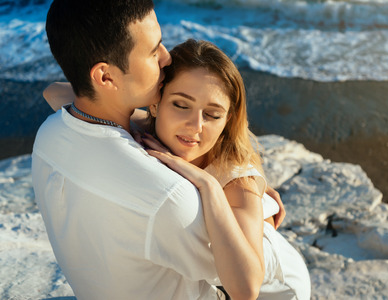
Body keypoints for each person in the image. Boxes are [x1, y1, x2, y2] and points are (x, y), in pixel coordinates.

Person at [44, 39, 311, 299]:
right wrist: (128, 102)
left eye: (212, 115)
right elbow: (54, 93)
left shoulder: (237, 181)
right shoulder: (148, 124)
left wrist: (209, 187)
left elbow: (246, 289)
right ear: (156, 102)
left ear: (227, 120)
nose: (194, 125)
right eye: (181, 105)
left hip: (280, 288)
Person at [33, 0, 257, 299]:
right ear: (105, 77)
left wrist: (240, 167)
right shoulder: (169, 198)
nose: (166, 57)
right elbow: (246, 284)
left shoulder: (49, 134)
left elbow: (57, 91)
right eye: (154, 51)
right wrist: (222, 186)